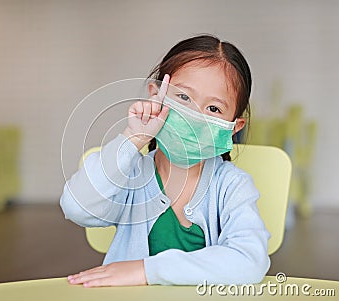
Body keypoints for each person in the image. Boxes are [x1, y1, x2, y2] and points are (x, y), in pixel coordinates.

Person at [60, 34, 270, 287]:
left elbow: (249, 261)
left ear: (233, 127)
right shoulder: (130, 176)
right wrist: (133, 138)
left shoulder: (232, 186)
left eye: (213, 109)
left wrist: (146, 271)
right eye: (183, 97)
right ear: (155, 95)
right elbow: (76, 206)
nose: (194, 117)